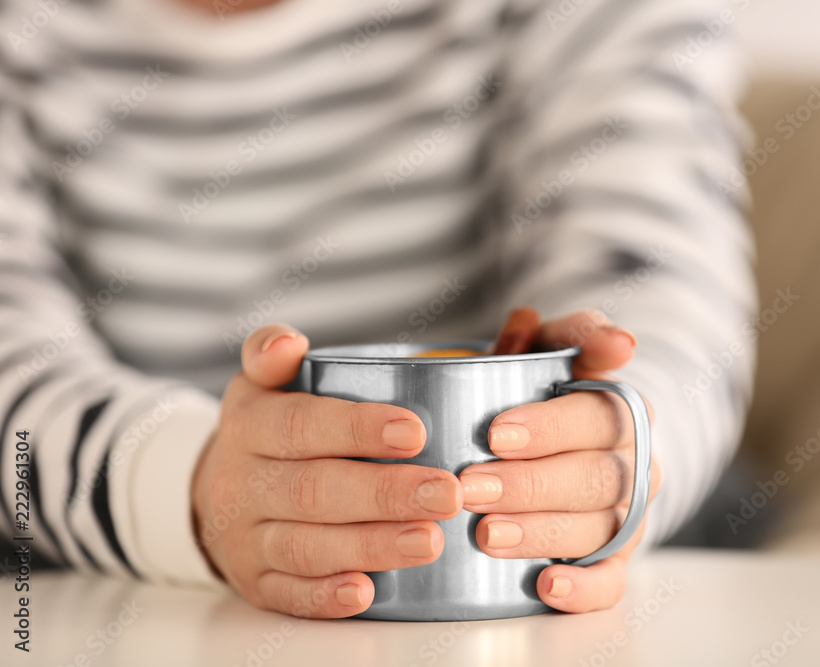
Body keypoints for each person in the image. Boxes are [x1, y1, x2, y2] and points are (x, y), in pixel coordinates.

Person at [0, 0, 754, 617]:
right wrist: (190, 492)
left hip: (550, 561)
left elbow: (662, 291)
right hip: (105, 539)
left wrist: (613, 451)